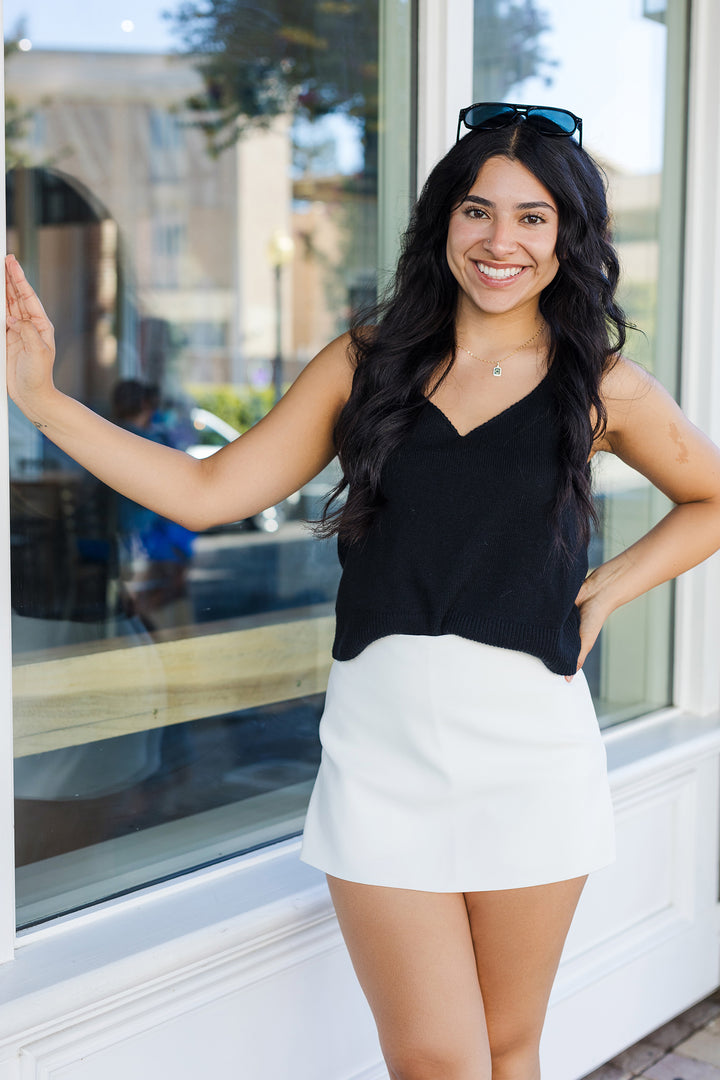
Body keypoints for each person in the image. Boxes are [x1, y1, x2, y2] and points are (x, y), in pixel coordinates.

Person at [6, 101, 720, 1080]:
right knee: (437, 1061)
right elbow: (208, 491)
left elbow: (710, 499)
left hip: (531, 759)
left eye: (532, 216)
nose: (500, 239)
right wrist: (42, 397)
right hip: (380, 762)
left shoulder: (600, 383)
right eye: (477, 211)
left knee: (510, 1052)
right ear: (442, 223)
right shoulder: (366, 364)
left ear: (569, 236)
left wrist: (609, 588)